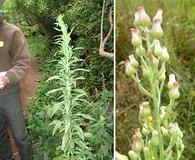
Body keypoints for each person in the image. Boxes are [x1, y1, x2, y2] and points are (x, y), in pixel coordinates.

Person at [0, 0, 32, 159]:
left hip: (9, 94)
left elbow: (23, 62)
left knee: (20, 136)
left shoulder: (12, 32)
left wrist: (8, 78)